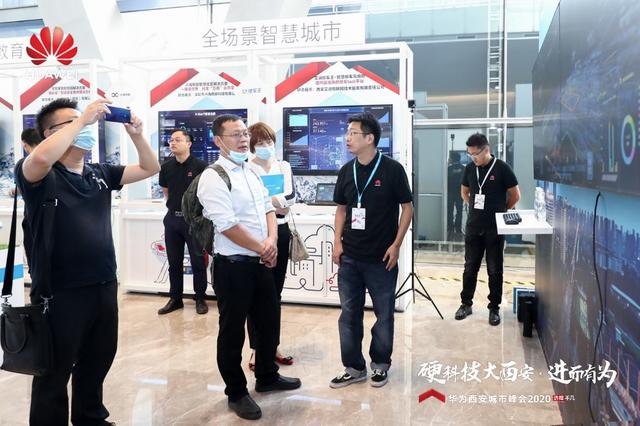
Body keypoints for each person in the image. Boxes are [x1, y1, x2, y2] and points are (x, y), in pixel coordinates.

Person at [15, 97, 160, 425]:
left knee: (97, 360)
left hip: (103, 284)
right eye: (70, 122)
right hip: (60, 291)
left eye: (82, 120)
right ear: (49, 133)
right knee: (54, 370)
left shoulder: (99, 173)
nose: (85, 126)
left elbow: (151, 168)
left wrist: (137, 135)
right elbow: (40, 157)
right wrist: (82, 121)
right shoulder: (39, 174)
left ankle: (90, 418)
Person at [197, 114, 301, 420]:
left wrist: (271, 241)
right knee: (232, 331)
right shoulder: (213, 176)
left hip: (260, 262)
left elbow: (269, 208)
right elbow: (227, 224)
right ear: (218, 141)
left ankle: (267, 375)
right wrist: (262, 247)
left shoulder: (251, 172)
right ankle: (236, 392)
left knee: (268, 322)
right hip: (233, 266)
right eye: (236, 135)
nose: (243, 139)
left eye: (244, 133)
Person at [330, 112, 413, 389]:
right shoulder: (346, 171)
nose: (347, 138)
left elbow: (407, 208)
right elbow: (341, 210)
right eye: (348, 132)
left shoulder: (392, 169)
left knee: (384, 315)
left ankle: (380, 365)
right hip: (350, 257)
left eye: (353, 133)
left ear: (370, 138)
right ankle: (354, 368)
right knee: (348, 315)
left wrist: (396, 245)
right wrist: (337, 242)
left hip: (381, 258)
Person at [455, 133, 520, 326]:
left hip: (495, 228)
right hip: (474, 226)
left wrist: (502, 211)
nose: (473, 158)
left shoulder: (502, 168)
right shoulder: (469, 168)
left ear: (486, 150)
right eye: (470, 154)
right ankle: (466, 304)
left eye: (475, 154)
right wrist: (473, 206)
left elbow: (515, 195)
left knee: (494, 269)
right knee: (470, 268)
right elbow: (464, 192)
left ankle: (494, 308)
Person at [246, 122, 296, 372]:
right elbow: (252, 204)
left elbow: (291, 199)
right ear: (252, 146)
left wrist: (270, 200)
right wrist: (276, 201)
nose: (265, 146)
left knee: (275, 293)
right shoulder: (247, 168)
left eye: (268, 142)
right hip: (257, 235)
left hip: (282, 232)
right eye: (260, 143)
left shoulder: (283, 166)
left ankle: (272, 346)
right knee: (256, 295)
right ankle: (257, 348)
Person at [157, 129, 209, 315]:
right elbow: (166, 191)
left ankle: (200, 297)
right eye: (171, 140)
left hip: (193, 220)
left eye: (177, 140)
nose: (172, 143)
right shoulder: (166, 167)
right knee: (174, 262)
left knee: (198, 261)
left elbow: (206, 193)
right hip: (172, 219)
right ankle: (175, 298)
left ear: (189, 144)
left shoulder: (201, 166)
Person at [12, 128, 43, 267]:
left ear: (24, 144)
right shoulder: (55, 164)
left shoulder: (23, 165)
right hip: (55, 223)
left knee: (36, 265)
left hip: (34, 221)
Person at [447, 151, 465, 238]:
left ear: (452, 159)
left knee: (449, 211)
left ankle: (450, 227)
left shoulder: (449, 169)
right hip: (460, 193)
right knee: (459, 211)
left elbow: (446, 181)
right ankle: (458, 228)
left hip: (450, 192)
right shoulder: (463, 168)